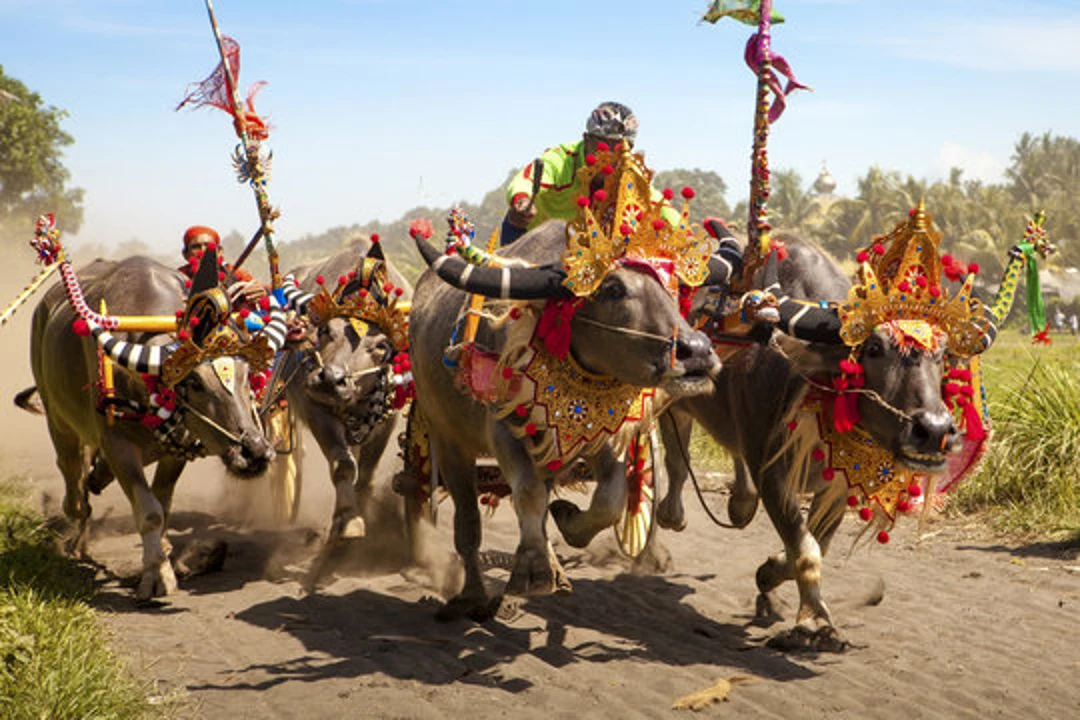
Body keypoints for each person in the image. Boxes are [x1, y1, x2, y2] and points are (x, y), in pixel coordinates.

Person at [500, 101, 681, 246]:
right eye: (603, 144)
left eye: (619, 147)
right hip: (531, 241)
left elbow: (661, 206)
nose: (610, 155)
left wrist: (686, 236)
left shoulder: (630, 173)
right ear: (586, 139)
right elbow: (524, 181)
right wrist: (521, 201)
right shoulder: (561, 159)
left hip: (586, 254)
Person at [180, 225, 267, 306]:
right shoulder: (178, 277)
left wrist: (260, 294)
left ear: (219, 252)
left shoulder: (236, 274)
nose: (203, 251)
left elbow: (259, 293)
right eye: (196, 247)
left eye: (208, 245)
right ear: (185, 254)